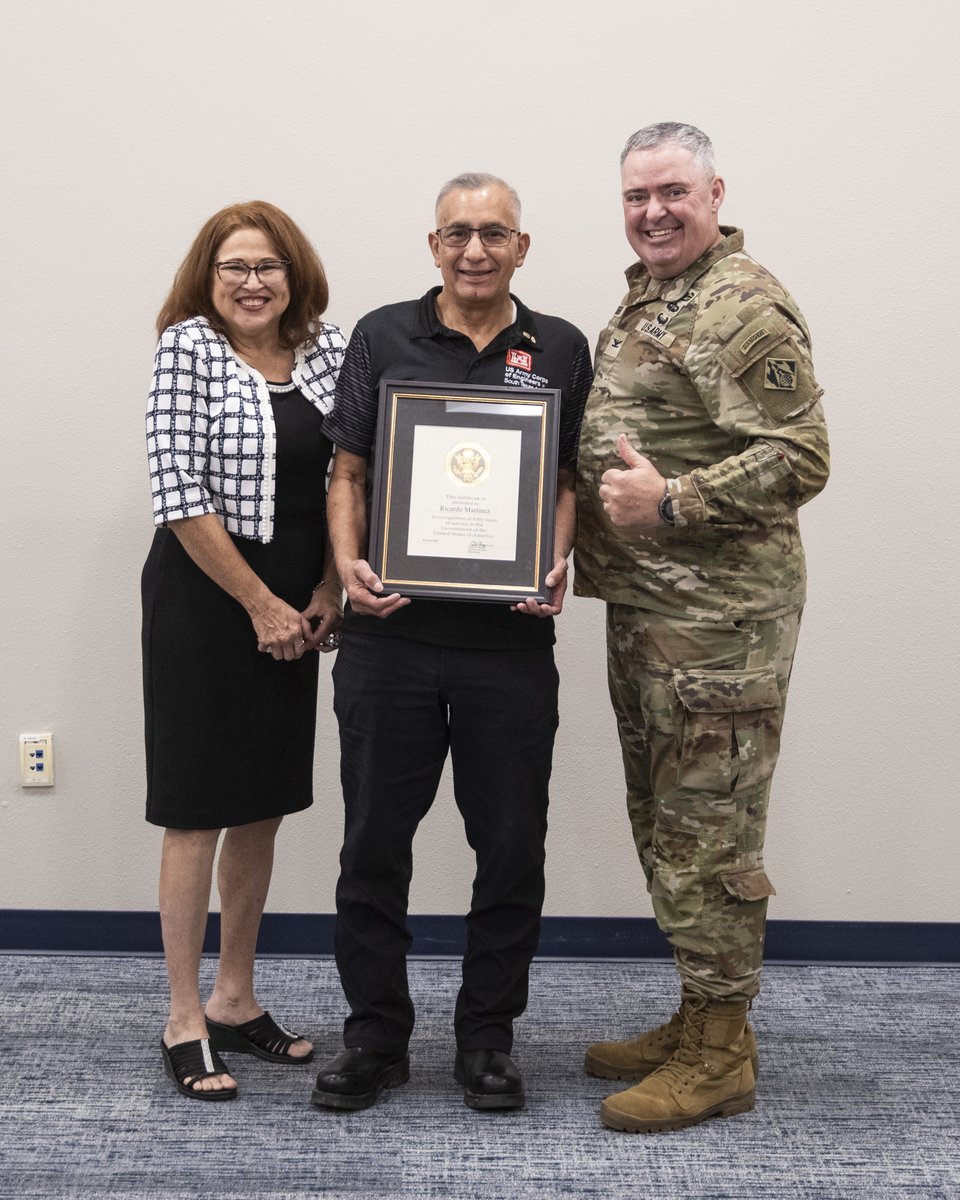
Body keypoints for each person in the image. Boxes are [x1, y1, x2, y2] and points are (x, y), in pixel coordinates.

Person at [311, 173, 592, 1113]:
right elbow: (348, 470)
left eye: (495, 233)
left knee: (510, 847)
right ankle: (375, 1037)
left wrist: (552, 561)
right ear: (433, 245)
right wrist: (348, 564)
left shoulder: (560, 347)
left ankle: (487, 1040)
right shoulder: (381, 335)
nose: (476, 250)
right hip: (388, 640)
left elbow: (563, 480)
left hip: (506, 649)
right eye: (458, 233)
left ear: (522, 247)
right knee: (372, 846)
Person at [574, 123, 829, 1133]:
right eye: (637, 196)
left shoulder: (742, 304)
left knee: (709, 836)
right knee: (667, 825)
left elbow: (802, 456)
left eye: (673, 192)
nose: (654, 212)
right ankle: (700, 1017)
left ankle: (720, 1057)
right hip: (654, 617)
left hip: (720, 632)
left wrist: (674, 500)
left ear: (715, 193)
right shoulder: (655, 293)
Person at [142, 201, 346, 1100]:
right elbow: (178, 492)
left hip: (300, 603)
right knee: (197, 809)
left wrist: (329, 591)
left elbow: (354, 472)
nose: (252, 282)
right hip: (206, 601)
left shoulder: (330, 349)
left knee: (261, 805)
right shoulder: (186, 348)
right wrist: (261, 604)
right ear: (209, 276)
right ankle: (184, 1016)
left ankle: (234, 998)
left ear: (293, 274)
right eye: (235, 267)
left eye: (268, 266)